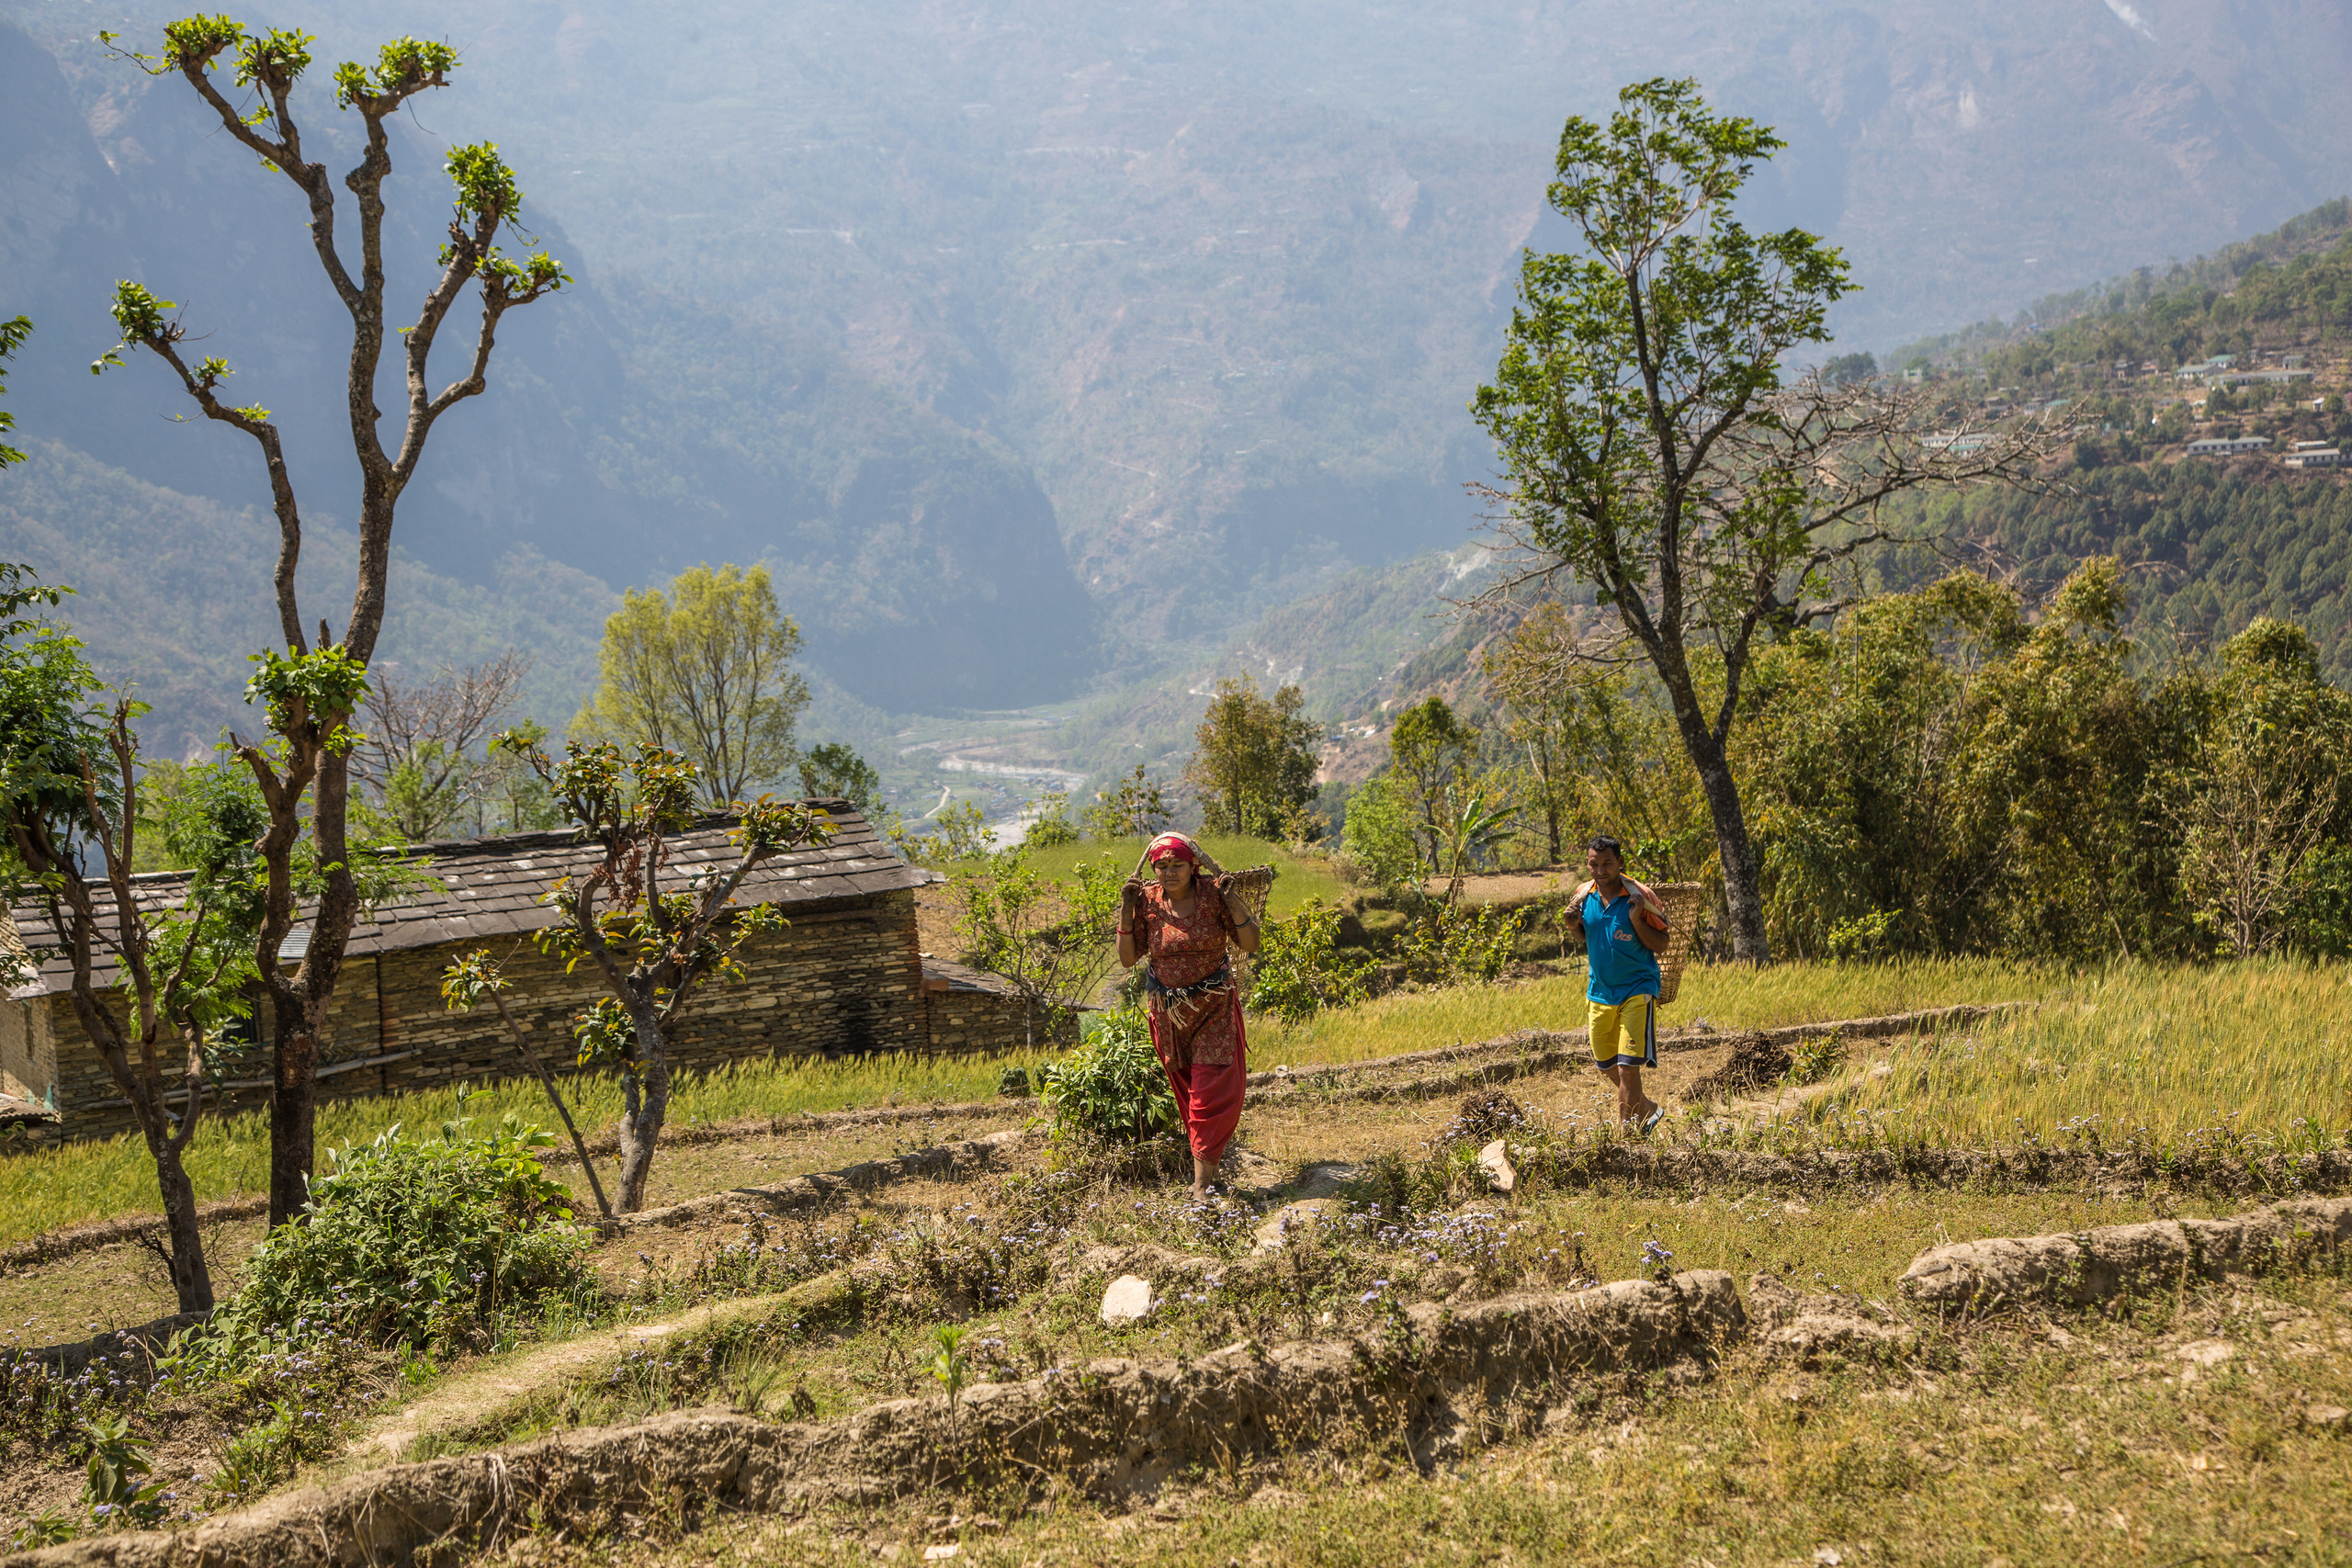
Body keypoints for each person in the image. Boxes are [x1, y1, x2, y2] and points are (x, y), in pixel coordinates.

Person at [1116, 831, 1261, 1199]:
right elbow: (1128, 958)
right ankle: (1209, 1175)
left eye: (1177, 864)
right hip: (1170, 1015)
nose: (1169, 872)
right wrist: (1125, 907)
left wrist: (1233, 900)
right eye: (1161, 866)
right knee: (1191, 1092)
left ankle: (1201, 1185)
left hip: (1214, 1008)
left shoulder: (1213, 894)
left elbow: (1250, 943)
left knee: (1211, 1092)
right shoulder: (1146, 901)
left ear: (1193, 865)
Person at [1575, 834, 1668, 1133]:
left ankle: (1627, 1137)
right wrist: (1570, 925)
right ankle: (1648, 1108)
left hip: (1637, 990)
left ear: (1620, 864)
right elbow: (1585, 935)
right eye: (1594, 864)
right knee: (1607, 1065)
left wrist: (1638, 920)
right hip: (1600, 993)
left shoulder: (1640, 896)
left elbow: (1663, 944)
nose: (1601, 870)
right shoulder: (1582, 896)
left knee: (1628, 1068)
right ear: (1588, 865)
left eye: (1607, 864)